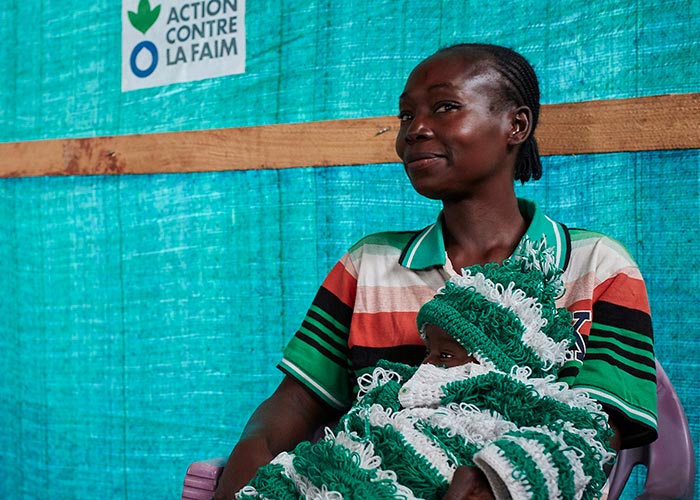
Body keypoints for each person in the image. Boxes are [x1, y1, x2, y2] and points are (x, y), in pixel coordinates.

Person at [213, 43, 657, 499]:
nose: (416, 130)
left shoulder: (597, 265)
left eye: (446, 107)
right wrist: (250, 463)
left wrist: (498, 481)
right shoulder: (368, 265)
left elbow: (599, 427)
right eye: (406, 116)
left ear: (515, 125)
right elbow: (295, 402)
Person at [234, 247, 615, 500]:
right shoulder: (367, 263)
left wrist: (496, 478)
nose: (428, 364)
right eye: (429, 351)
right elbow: (319, 414)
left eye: (445, 354)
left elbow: (583, 440)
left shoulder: (509, 394)